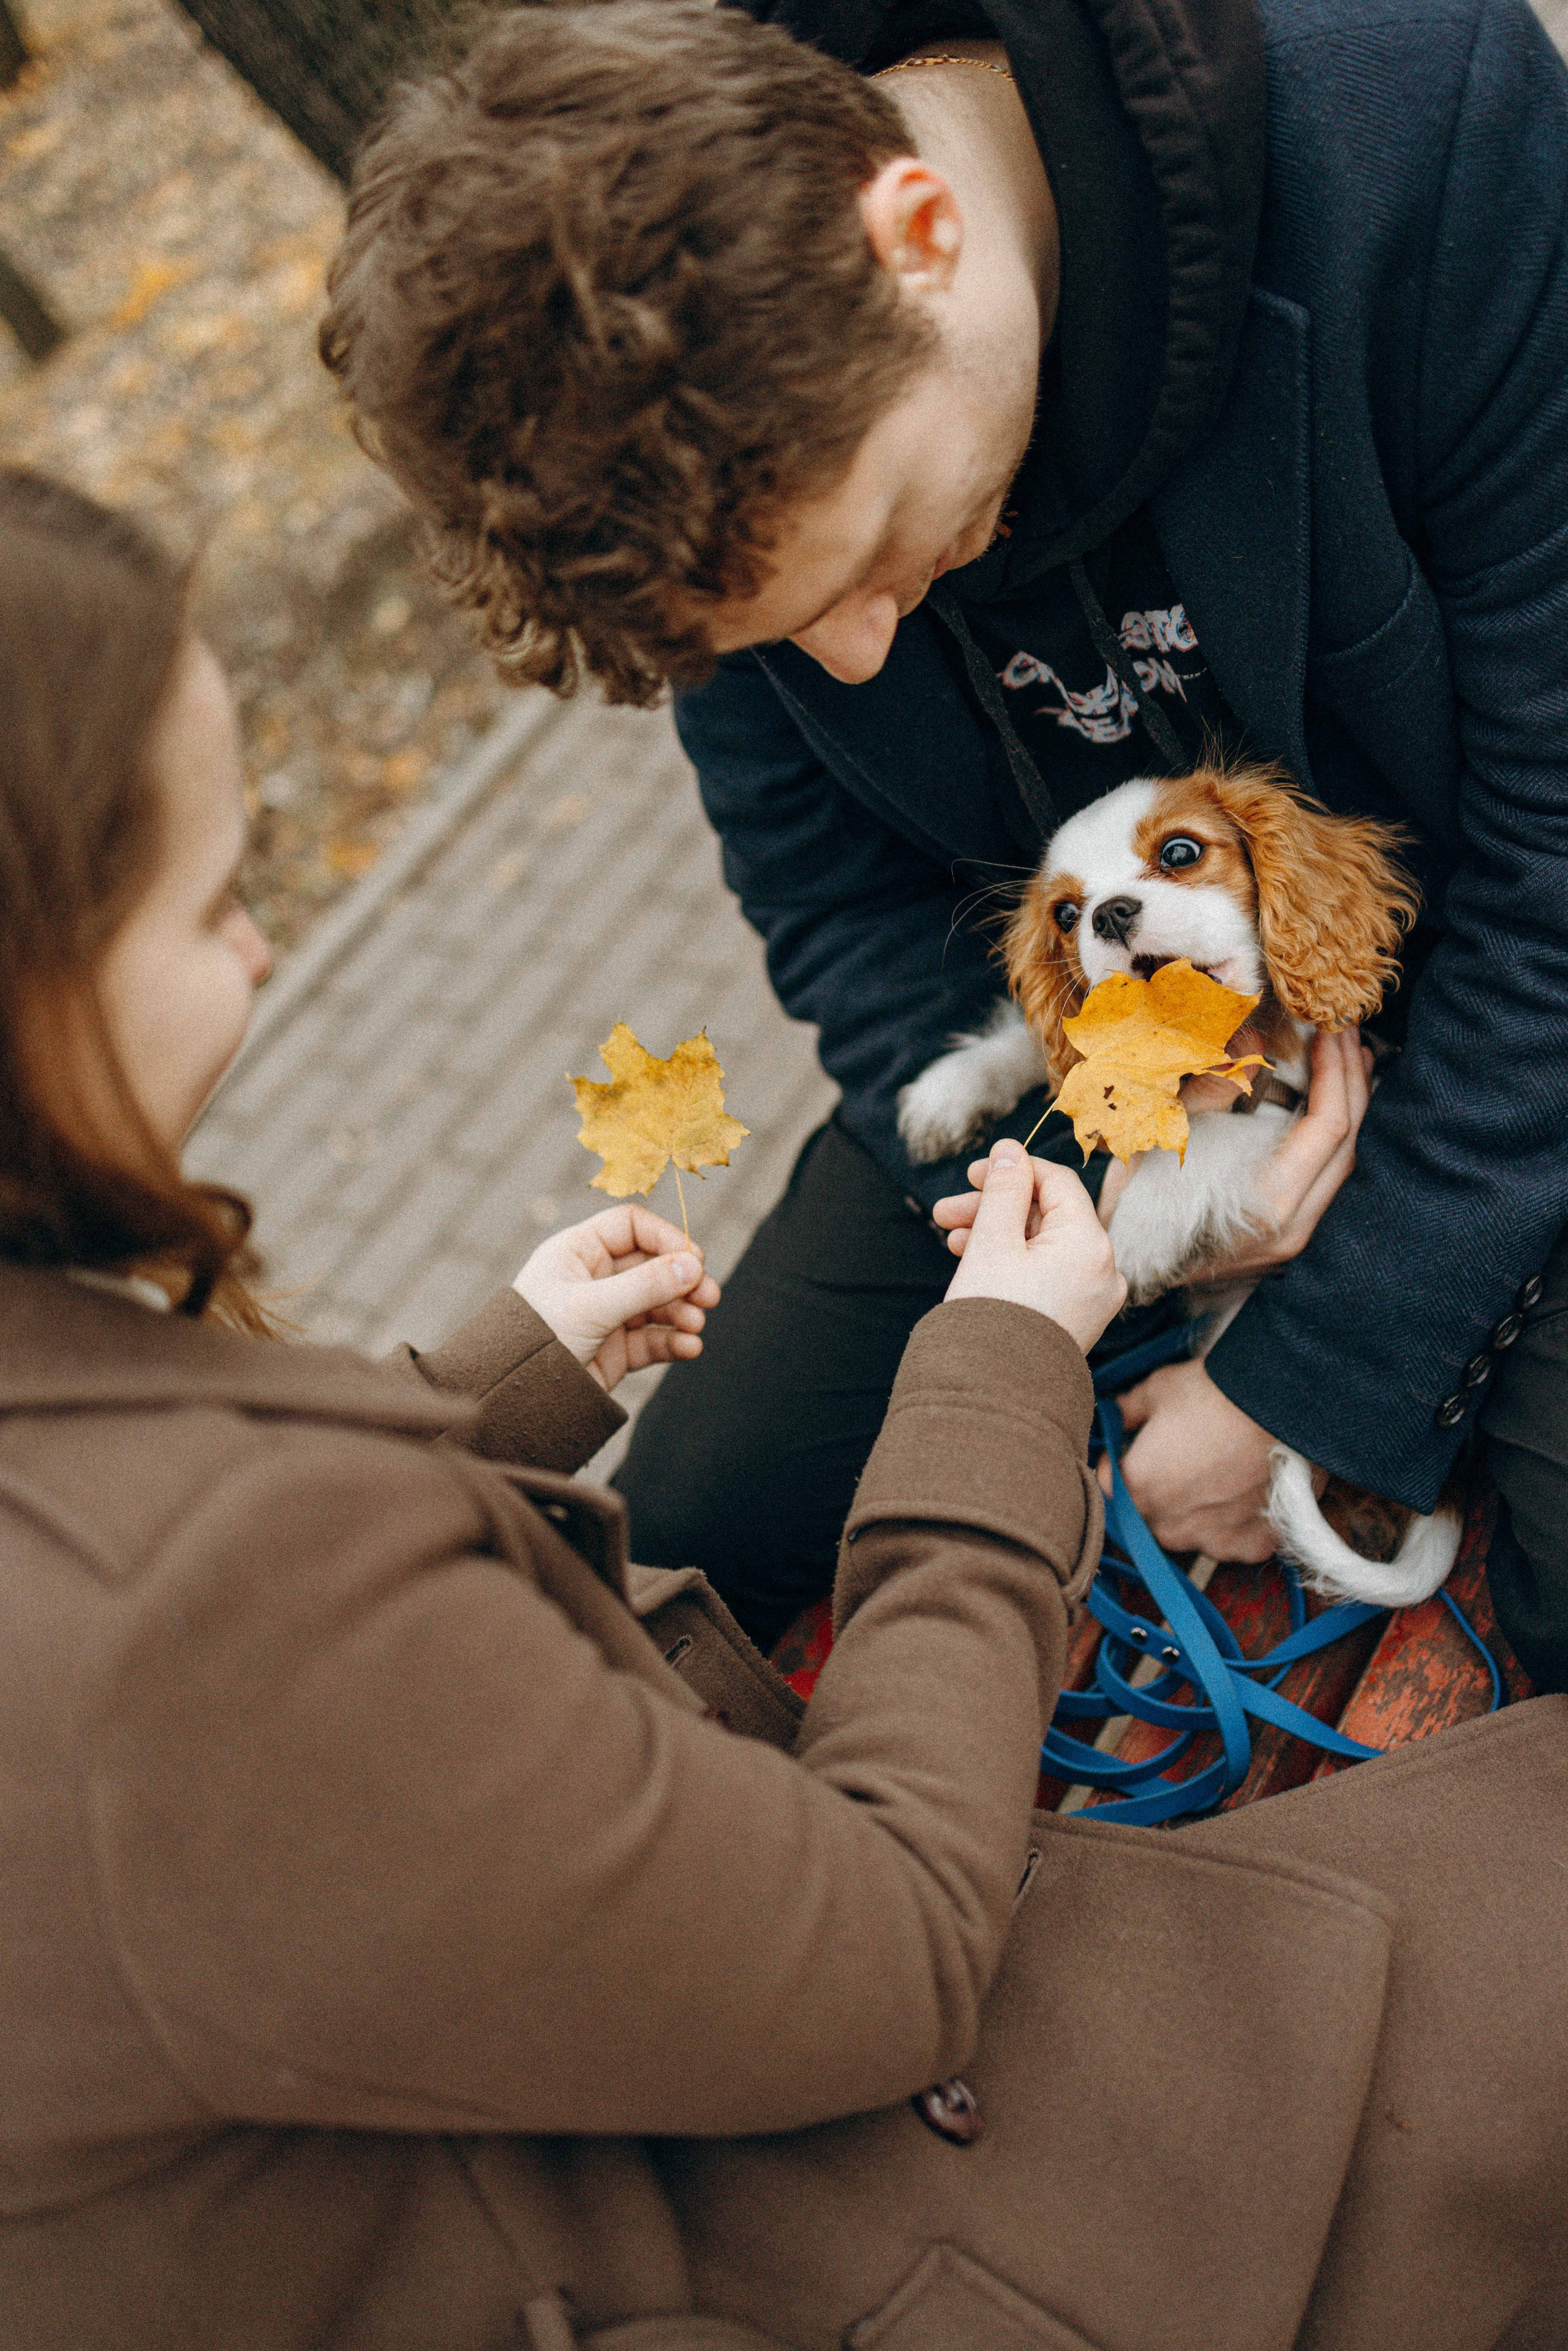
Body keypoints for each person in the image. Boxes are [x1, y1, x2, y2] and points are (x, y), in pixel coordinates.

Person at [5, 471, 1568, 2348]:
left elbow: (221, 1623)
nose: (262, 950)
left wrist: (469, 1404)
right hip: (810, 2222)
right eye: (212, 900)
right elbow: (890, 1944)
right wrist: (1005, 1363)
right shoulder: (199, 1590)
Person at [319, 0, 1568, 1681]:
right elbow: (840, 916)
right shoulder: (715, 497)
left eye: (870, 558)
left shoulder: (1418, 127)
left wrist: (1314, 1371)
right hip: (1077, 1085)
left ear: (916, 235)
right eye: (779, 631)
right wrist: (1115, 1229)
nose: (847, 655)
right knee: (695, 1522)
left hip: (1511, 1003)